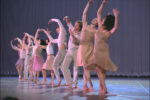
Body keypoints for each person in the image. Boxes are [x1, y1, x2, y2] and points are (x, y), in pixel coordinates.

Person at [86, 0, 119, 95]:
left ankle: (104, 88)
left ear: (105, 21)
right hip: (104, 52)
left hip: (98, 53)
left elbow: (98, 13)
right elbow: (115, 27)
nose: (102, 19)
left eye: (104, 19)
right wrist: (116, 16)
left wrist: (102, 5)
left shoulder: (100, 27)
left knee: (100, 71)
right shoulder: (107, 32)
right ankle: (103, 88)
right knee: (102, 71)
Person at [76, 0, 98, 90]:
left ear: (97, 23)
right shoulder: (85, 25)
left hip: (90, 48)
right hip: (83, 48)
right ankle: (89, 83)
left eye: (96, 20)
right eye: (94, 18)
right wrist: (88, 4)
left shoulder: (96, 31)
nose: (94, 19)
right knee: (85, 67)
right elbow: (84, 14)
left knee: (87, 68)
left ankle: (85, 84)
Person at [61, 16, 82, 88]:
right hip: (69, 50)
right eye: (75, 25)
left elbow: (76, 42)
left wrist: (72, 34)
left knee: (76, 68)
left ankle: (75, 84)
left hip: (76, 51)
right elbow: (69, 23)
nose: (75, 26)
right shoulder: (73, 29)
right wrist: (67, 18)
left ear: (79, 27)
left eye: (76, 25)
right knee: (64, 66)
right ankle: (69, 82)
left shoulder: (81, 34)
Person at [48, 18, 67, 86]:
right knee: (63, 67)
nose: (57, 29)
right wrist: (48, 34)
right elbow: (52, 40)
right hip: (63, 51)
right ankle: (67, 82)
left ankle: (59, 79)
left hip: (62, 51)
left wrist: (52, 19)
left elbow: (58, 20)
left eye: (58, 28)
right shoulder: (59, 37)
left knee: (54, 65)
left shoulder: (63, 31)